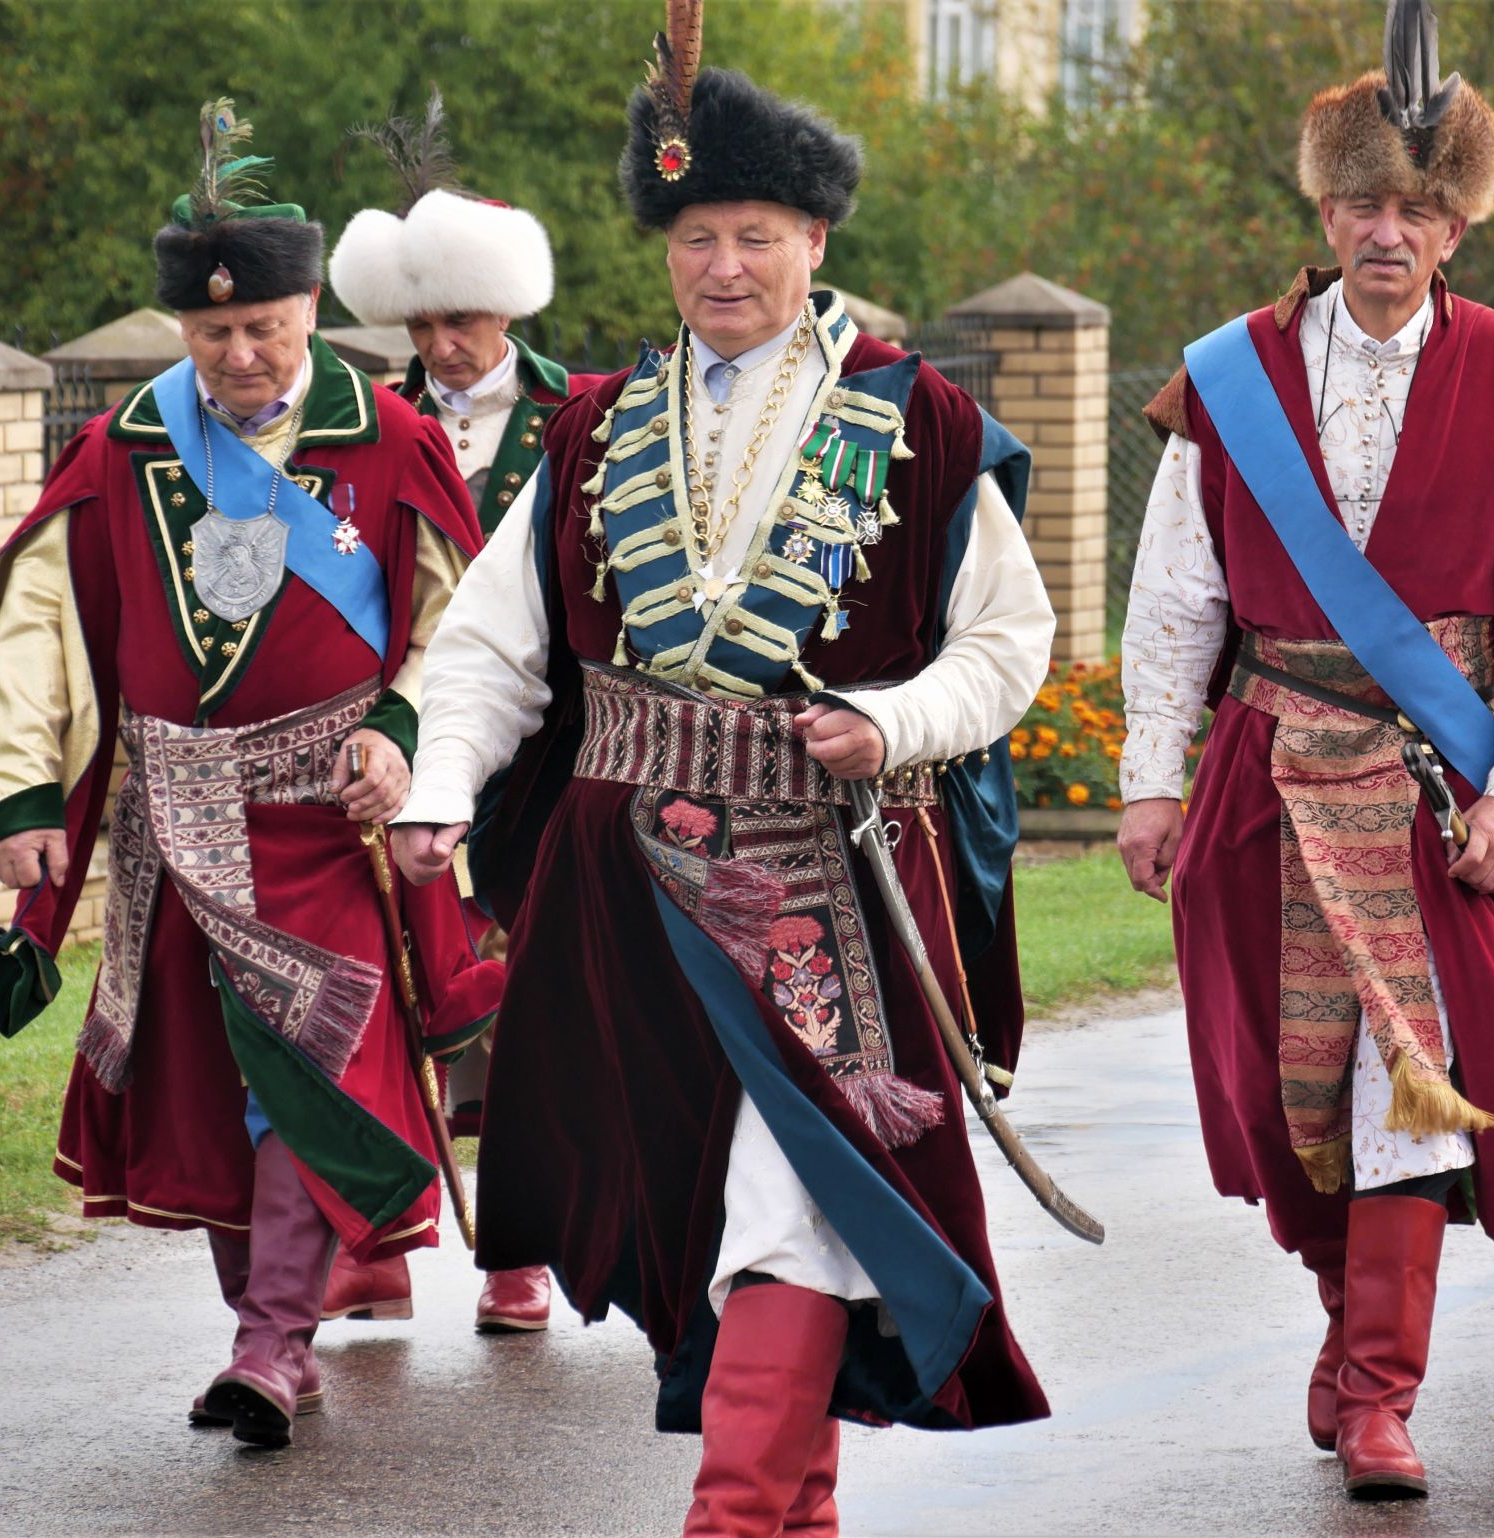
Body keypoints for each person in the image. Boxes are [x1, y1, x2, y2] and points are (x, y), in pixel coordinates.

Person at [388, 4, 1056, 1531]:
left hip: (832, 888)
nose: (725, 267)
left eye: (756, 232)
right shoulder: (594, 426)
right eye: (697, 236)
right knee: (709, 1210)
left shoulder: (915, 419)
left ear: (814, 238)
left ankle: (734, 1513)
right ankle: (796, 1510)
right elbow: (496, 646)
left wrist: (895, 723)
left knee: (792, 1193)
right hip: (626, 896)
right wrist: (438, 789)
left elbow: (1007, 642)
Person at [0, 101, 496, 1448]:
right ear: (181, 331)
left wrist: (404, 735)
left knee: (301, 1067)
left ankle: (269, 1343)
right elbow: (41, 629)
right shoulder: (123, 445)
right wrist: (19, 803)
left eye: (266, 328)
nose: (241, 355)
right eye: (213, 335)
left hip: (331, 818)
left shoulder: (390, 440)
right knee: (209, 1084)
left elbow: (463, 625)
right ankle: (274, 1334)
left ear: (312, 313)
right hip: (172, 822)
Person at [1118, 0, 1494, 1501]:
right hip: (1261, 778)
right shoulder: (1231, 374)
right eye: (1364, 204)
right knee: (1286, 1092)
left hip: (1432, 787)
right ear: (1324, 212)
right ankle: (1342, 1322)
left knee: (1414, 1085)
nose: (1389, 231)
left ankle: (1383, 1389)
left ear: (1458, 225)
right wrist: (1148, 770)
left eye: (1421, 207)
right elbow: (1176, 592)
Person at [324, 89, 583, 1333]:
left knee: (520, 1004)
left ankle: (514, 1250)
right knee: (380, 989)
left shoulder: (582, 415)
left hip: (543, 757)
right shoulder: (366, 428)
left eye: (462, 318)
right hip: (399, 746)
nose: (441, 341)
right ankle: (375, 1231)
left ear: (509, 311)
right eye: (421, 320)